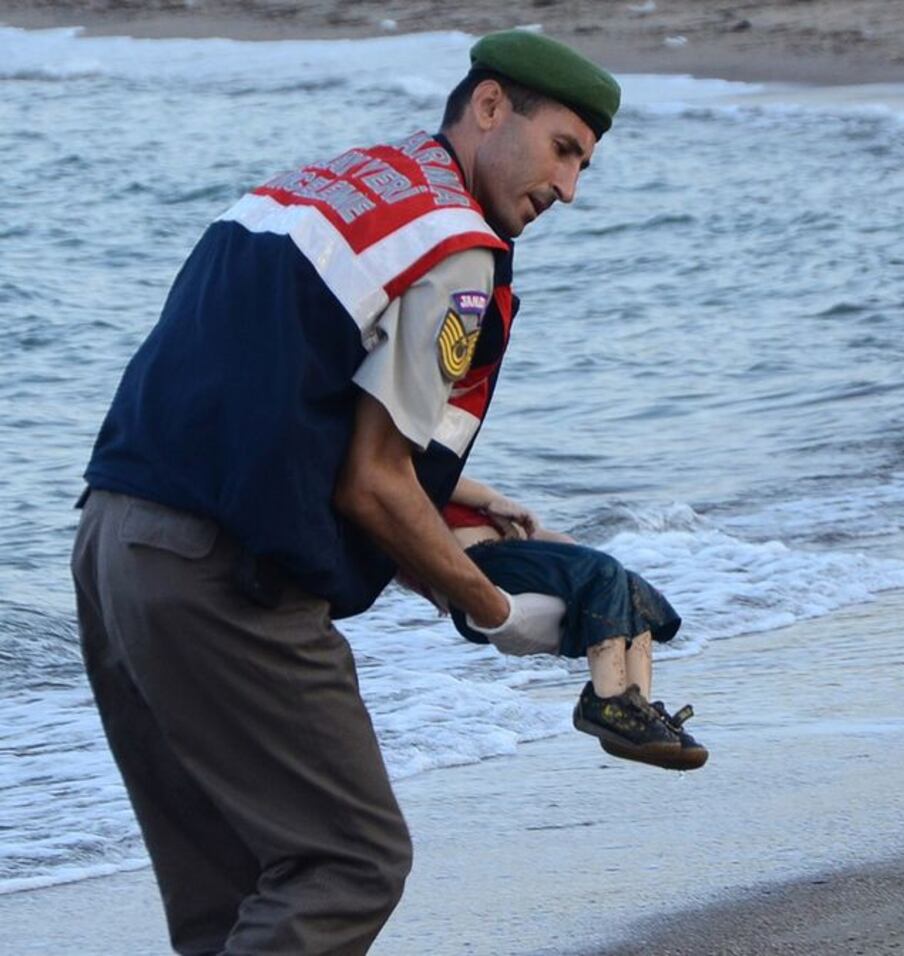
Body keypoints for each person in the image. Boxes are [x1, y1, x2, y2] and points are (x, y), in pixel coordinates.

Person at [70, 29, 621, 956]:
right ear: (490, 107)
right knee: (350, 861)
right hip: (222, 580)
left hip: (112, 544)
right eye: (564, 149)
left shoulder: (338, 182)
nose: (569, 189)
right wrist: (492, 609)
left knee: (229, 894)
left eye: (584, 165)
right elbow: (369, 484)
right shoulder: (459, 249)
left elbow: (281, 385)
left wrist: (456, 495)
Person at [438, 476, 708, 771]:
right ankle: (606, 703)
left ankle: (635, 713)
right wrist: (491, 498)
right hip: (477, 563)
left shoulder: (490, 515)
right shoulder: (419, 479)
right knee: (604, 571)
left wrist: (537, 532)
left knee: (629, 587)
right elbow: (431, 472)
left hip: (513, 561)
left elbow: (566, 548)